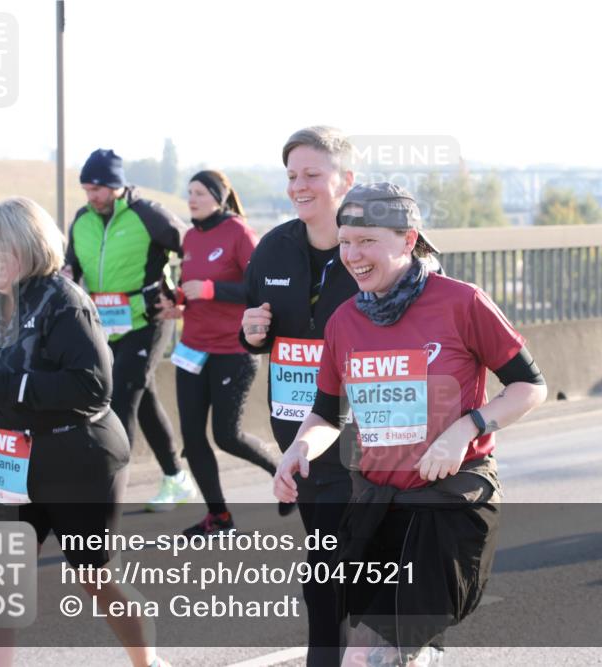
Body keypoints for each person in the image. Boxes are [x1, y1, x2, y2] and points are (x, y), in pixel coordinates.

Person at [273, 183, 548, 666]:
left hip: (448, 504)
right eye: (345, 242)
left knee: (367, 657)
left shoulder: (462, 303)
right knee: (378, 644)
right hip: (377, 504)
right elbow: (326, 412)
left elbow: (530, 386)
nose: (352, 255)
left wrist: (466, 428)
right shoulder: (343, 322)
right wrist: (300, 448)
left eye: (367, 241)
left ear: (407, 239)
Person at [0, 197, 170, 667]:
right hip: (10, 461)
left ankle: (146, 662)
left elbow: (93, 386)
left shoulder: (64, 302)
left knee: (95, 578)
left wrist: (10, 387)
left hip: (75, 458)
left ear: (27, 243)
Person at [239, 126, 358, 665]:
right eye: (292, 176)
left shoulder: (371, 248)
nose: (299, 186)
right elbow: (254, 330)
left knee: (346, 571)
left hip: (367, 444)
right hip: (299, 441)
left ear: (345, 180)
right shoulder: (273, 249)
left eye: (312, 174)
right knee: (327, 571)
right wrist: (252, 331)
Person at [63, 148, 196, 512]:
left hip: (147, 320)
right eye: (87, 189)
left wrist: (181, 294)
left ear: (117, 186)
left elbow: (193, 247)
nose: (92, 196)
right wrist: (66, 277)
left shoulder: (148, 215)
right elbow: (71, 266)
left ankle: (106, 497)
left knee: (121, 399)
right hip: (105, 326)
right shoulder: (82, 220)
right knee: (143, 397)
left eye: (99, 189)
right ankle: (176, 478)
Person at [155, 170, 277, 537]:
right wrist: (177, 302)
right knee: (192, 438)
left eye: (199, 192)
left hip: (232, 349)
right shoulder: (190, 237)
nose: (191, 199)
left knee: (227, 435)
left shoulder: (238, 232)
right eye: (188, 192)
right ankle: (219, 517)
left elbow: (259, 286)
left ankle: (281, 471)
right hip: (192, 349)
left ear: (219, 197)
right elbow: (192, 288)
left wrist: (209, 290)